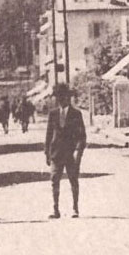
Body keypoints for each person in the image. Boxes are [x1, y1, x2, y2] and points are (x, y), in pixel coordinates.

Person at [44, 83, 86, 219]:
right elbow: (49, 134)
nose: (61, 100)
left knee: (73, 180)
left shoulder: (76, 114)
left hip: (70, 154)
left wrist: (78, 152)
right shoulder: (53, 114)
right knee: (54, 180)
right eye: (59, 97)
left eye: (64, 97)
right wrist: (47, 153)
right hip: (56, 153)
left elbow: (82, 136)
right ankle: (55, 209)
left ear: (68, 98)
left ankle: (75, 208)